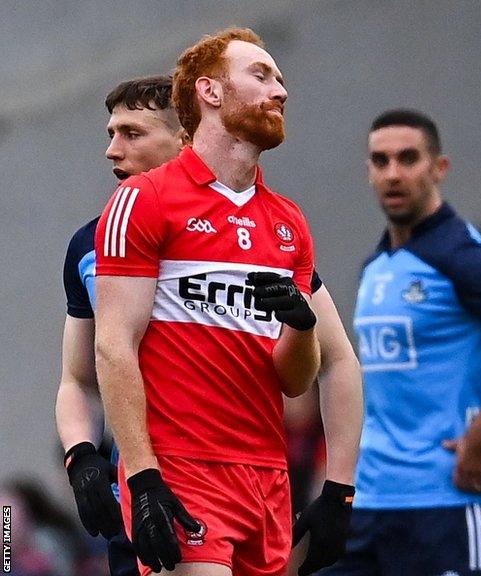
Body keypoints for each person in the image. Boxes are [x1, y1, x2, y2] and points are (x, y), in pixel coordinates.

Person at [93, 28, 331, 575]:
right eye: (262, 75)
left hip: (267, 477)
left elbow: (296, 380)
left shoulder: (288, 221)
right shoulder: (145, 198)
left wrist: (301, 326)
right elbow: (112, 348)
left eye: (280, 78)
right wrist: (143, 475)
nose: (281, 92)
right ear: (211, 92)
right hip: (183, 469)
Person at [322, 109, 481, 575]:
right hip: (372, 500)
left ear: (439, 168)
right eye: (380, 161)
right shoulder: (377, 266)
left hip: (447, 502)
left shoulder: (463, 254)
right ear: (368, 172)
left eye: (408, 158)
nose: (393, 173)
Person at [57, 75, 186, 576]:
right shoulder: (88, 244)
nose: (112, 151)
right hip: (137, 495)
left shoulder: (240, 231)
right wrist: (82, 456)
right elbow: (77, 379)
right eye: (110, 134)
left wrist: (334, 488)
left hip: (232, 484)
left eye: (132, 134)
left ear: (187, 139)